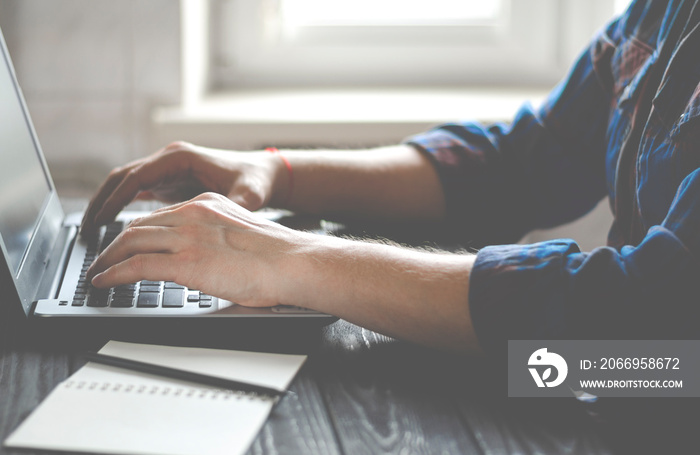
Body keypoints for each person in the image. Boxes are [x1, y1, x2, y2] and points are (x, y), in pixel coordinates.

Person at [83, 0, 700, 358]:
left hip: (650, 386)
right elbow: (523, 165)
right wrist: (278, 171)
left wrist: (291, 261)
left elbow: (648, 327)